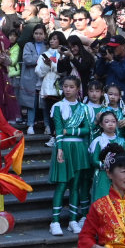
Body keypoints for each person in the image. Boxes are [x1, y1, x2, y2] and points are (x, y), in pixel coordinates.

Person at [48, 75, 93, 236]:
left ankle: (73, 220)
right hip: (64, 147)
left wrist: (71, 131)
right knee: (61, 184)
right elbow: (59, 129)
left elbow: (88, 129)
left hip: (79, 147)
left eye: (71, 87)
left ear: (77, 89)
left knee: (76, 185)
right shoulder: (58, 106)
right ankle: (55, 221)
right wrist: (59, 147)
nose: (68, 89)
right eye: (65, 86)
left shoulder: (84, 108)